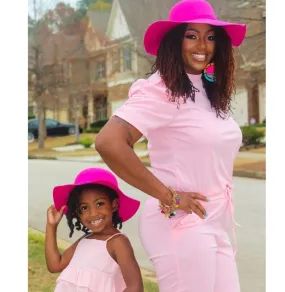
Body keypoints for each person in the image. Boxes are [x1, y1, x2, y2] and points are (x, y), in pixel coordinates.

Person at [95, 0, 246, 291]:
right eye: (191, 35)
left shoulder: (208, 89)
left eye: (210, 36)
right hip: (179, 223)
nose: (202, 44)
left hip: (214, 222)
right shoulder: (163, 89)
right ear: (175, 41)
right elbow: (109, 142)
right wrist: (169, 195)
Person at [45, 167, 143, 292]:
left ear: (114, 205)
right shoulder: (84, 240)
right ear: (78, 212)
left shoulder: (117, 242)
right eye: (84, 208)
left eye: (99, 204)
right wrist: (51, 226)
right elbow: (55, 265)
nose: (93, 213)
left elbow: (135, 287)